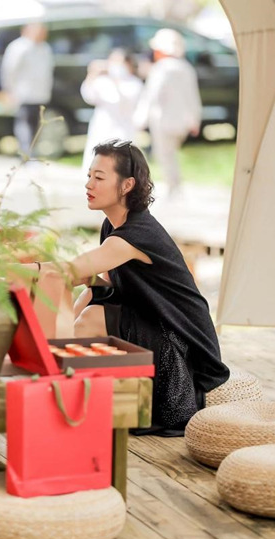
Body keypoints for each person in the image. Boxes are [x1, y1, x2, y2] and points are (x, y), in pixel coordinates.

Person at [38, 139, 229, 436]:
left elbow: (69, 271)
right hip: (154, 323)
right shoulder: (113, 226)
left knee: (91, 317)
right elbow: (100, 287)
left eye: (99, 178)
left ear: (127, 185)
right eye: (89, 175)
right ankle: (61, 385)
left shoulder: (136, 234)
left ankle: (64, 405)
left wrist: (3, 269)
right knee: (91, 300)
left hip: (179, 346)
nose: (89, 183)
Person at [133, 28, 201, 199]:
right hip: (182, 122)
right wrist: (195, 119)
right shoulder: (186, 68)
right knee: (171, 154)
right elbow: (193, 97)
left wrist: (140, 119)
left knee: (165, 155)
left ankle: (173, 187)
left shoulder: (161, 69)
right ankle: (174, 186)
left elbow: (151, 96)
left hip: (163, 120)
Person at [80, 49, 143, 173]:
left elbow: (124, 102)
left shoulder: (135, 83)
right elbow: (89, 96)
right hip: (102, 125)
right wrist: (92, 74)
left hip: (123, 127)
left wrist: (116, 81)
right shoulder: (103, 80)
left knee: (118, 161)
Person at [0, 23, 54, 157]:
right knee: (24, 126)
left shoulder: (45, 48)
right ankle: (26, 155)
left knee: (37, 125)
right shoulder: (18, 47)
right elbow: (9, 71)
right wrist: (8, 90)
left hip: (41, 95)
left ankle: (32, 152)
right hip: (23, 95)